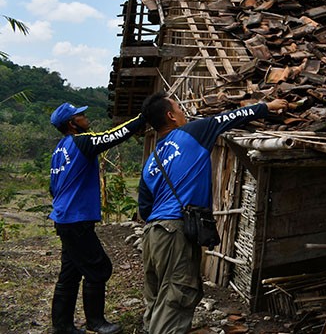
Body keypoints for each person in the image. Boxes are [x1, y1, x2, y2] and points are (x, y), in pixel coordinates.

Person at [138, 92, 288, 334]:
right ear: (170, 116)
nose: (183, 112)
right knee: (176, 298)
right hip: (175, 232)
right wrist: (267, 106)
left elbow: (145, 208)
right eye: (178, 108)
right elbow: (232, 116)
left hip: (151, 234)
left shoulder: (151, 161)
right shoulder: (192, 133)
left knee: (155, 299)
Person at [49, 103, 145, 334]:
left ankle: (62, 326)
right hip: (76, 220)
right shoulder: (83, 142)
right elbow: (114, 135)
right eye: (80, 115)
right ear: (72, 124)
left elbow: (53, 187)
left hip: (65, 217)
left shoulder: (60, 149)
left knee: (70, 272)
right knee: (98, 268)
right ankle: (96, 322)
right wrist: (143, 117)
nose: (85, 117)